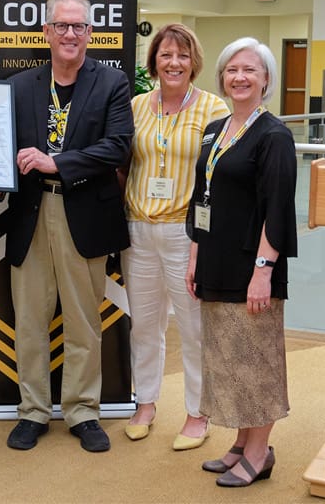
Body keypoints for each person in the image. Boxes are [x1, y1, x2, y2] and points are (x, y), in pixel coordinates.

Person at [4, 0, 134, 453]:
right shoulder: (19, 87)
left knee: (83, 322)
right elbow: (3, 151)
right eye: (61, 26)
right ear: (46, 32)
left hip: (85, 213)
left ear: (90, 34)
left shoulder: (112, 83)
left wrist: (55, 161)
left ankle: (82, 410)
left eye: (79, 27)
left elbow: (118, 147)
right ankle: (33, 411)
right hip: (30, 214)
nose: (70, 35)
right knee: (30, 320)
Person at [185, 37, 297, 487]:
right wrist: (195, 256)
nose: (240, 77)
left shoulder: (274, 136)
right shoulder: (215, 129)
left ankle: (259, 453)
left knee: (257, 363)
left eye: (250, 69)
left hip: (253, 270)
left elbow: (278, 209)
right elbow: (201, 199)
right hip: (215, 264)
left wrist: (263, 273)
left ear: (266, 79)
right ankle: (241, 443)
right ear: (222, 78)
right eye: (232, 70)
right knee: (228, 361)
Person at [121, 24, 229, 450]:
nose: (174, 63)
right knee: (144, 326)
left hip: (187, 234)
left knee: (194, 327)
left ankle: (198, 413)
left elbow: (222, 177)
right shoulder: (136, 107)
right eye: (166, 55)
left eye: (182, 56)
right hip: (139, 228)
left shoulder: (213, 108)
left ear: (194, 62)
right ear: (154, 62)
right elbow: (124, 163)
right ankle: (145, 403)